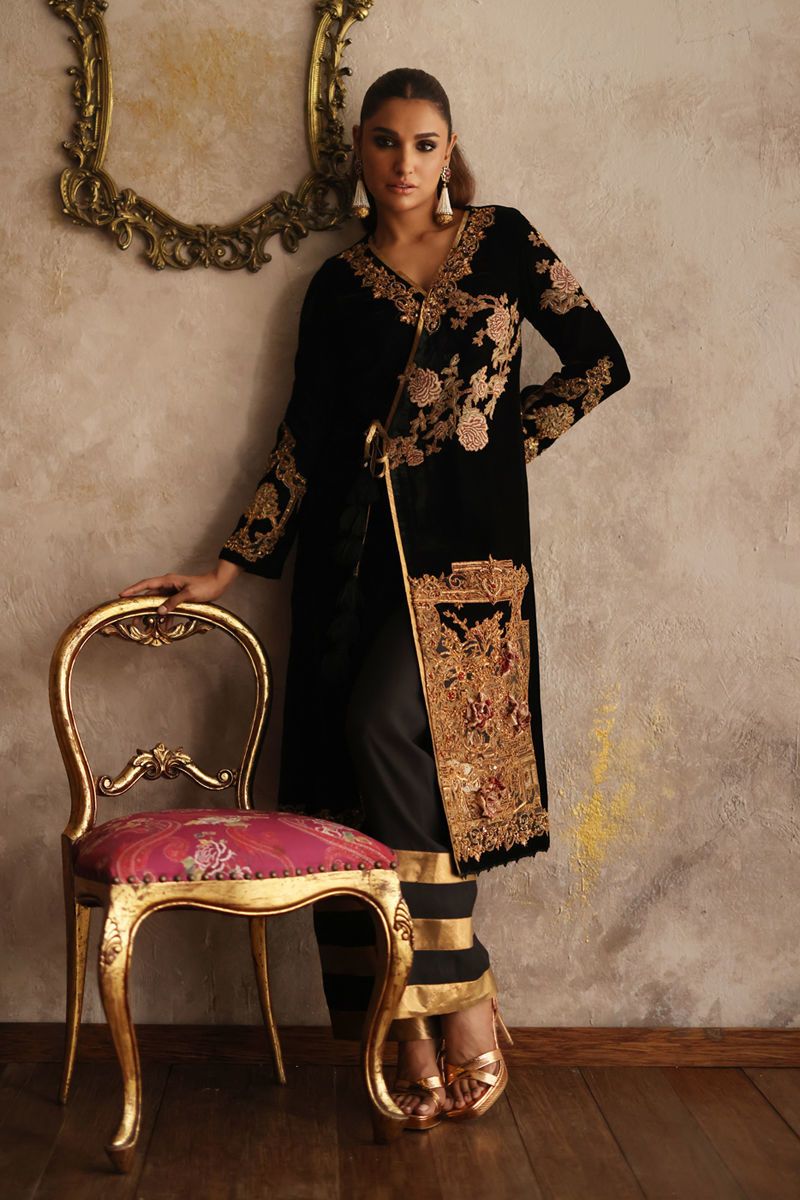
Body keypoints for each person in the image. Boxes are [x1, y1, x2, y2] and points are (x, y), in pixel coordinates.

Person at [120, 67, 631, 1129]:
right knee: (355, 780)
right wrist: (227, 566)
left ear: (451, 152)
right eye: (385, 141)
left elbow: (598, 363)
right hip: (350, 568)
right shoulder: (337, 286)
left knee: (389, 732)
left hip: (468, 574)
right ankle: (413, 1021)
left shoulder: (504, 241)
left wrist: (491, 452)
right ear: (357, 150)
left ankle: (452, 995)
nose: (405, 162)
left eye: (425, 143)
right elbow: (301, 444)